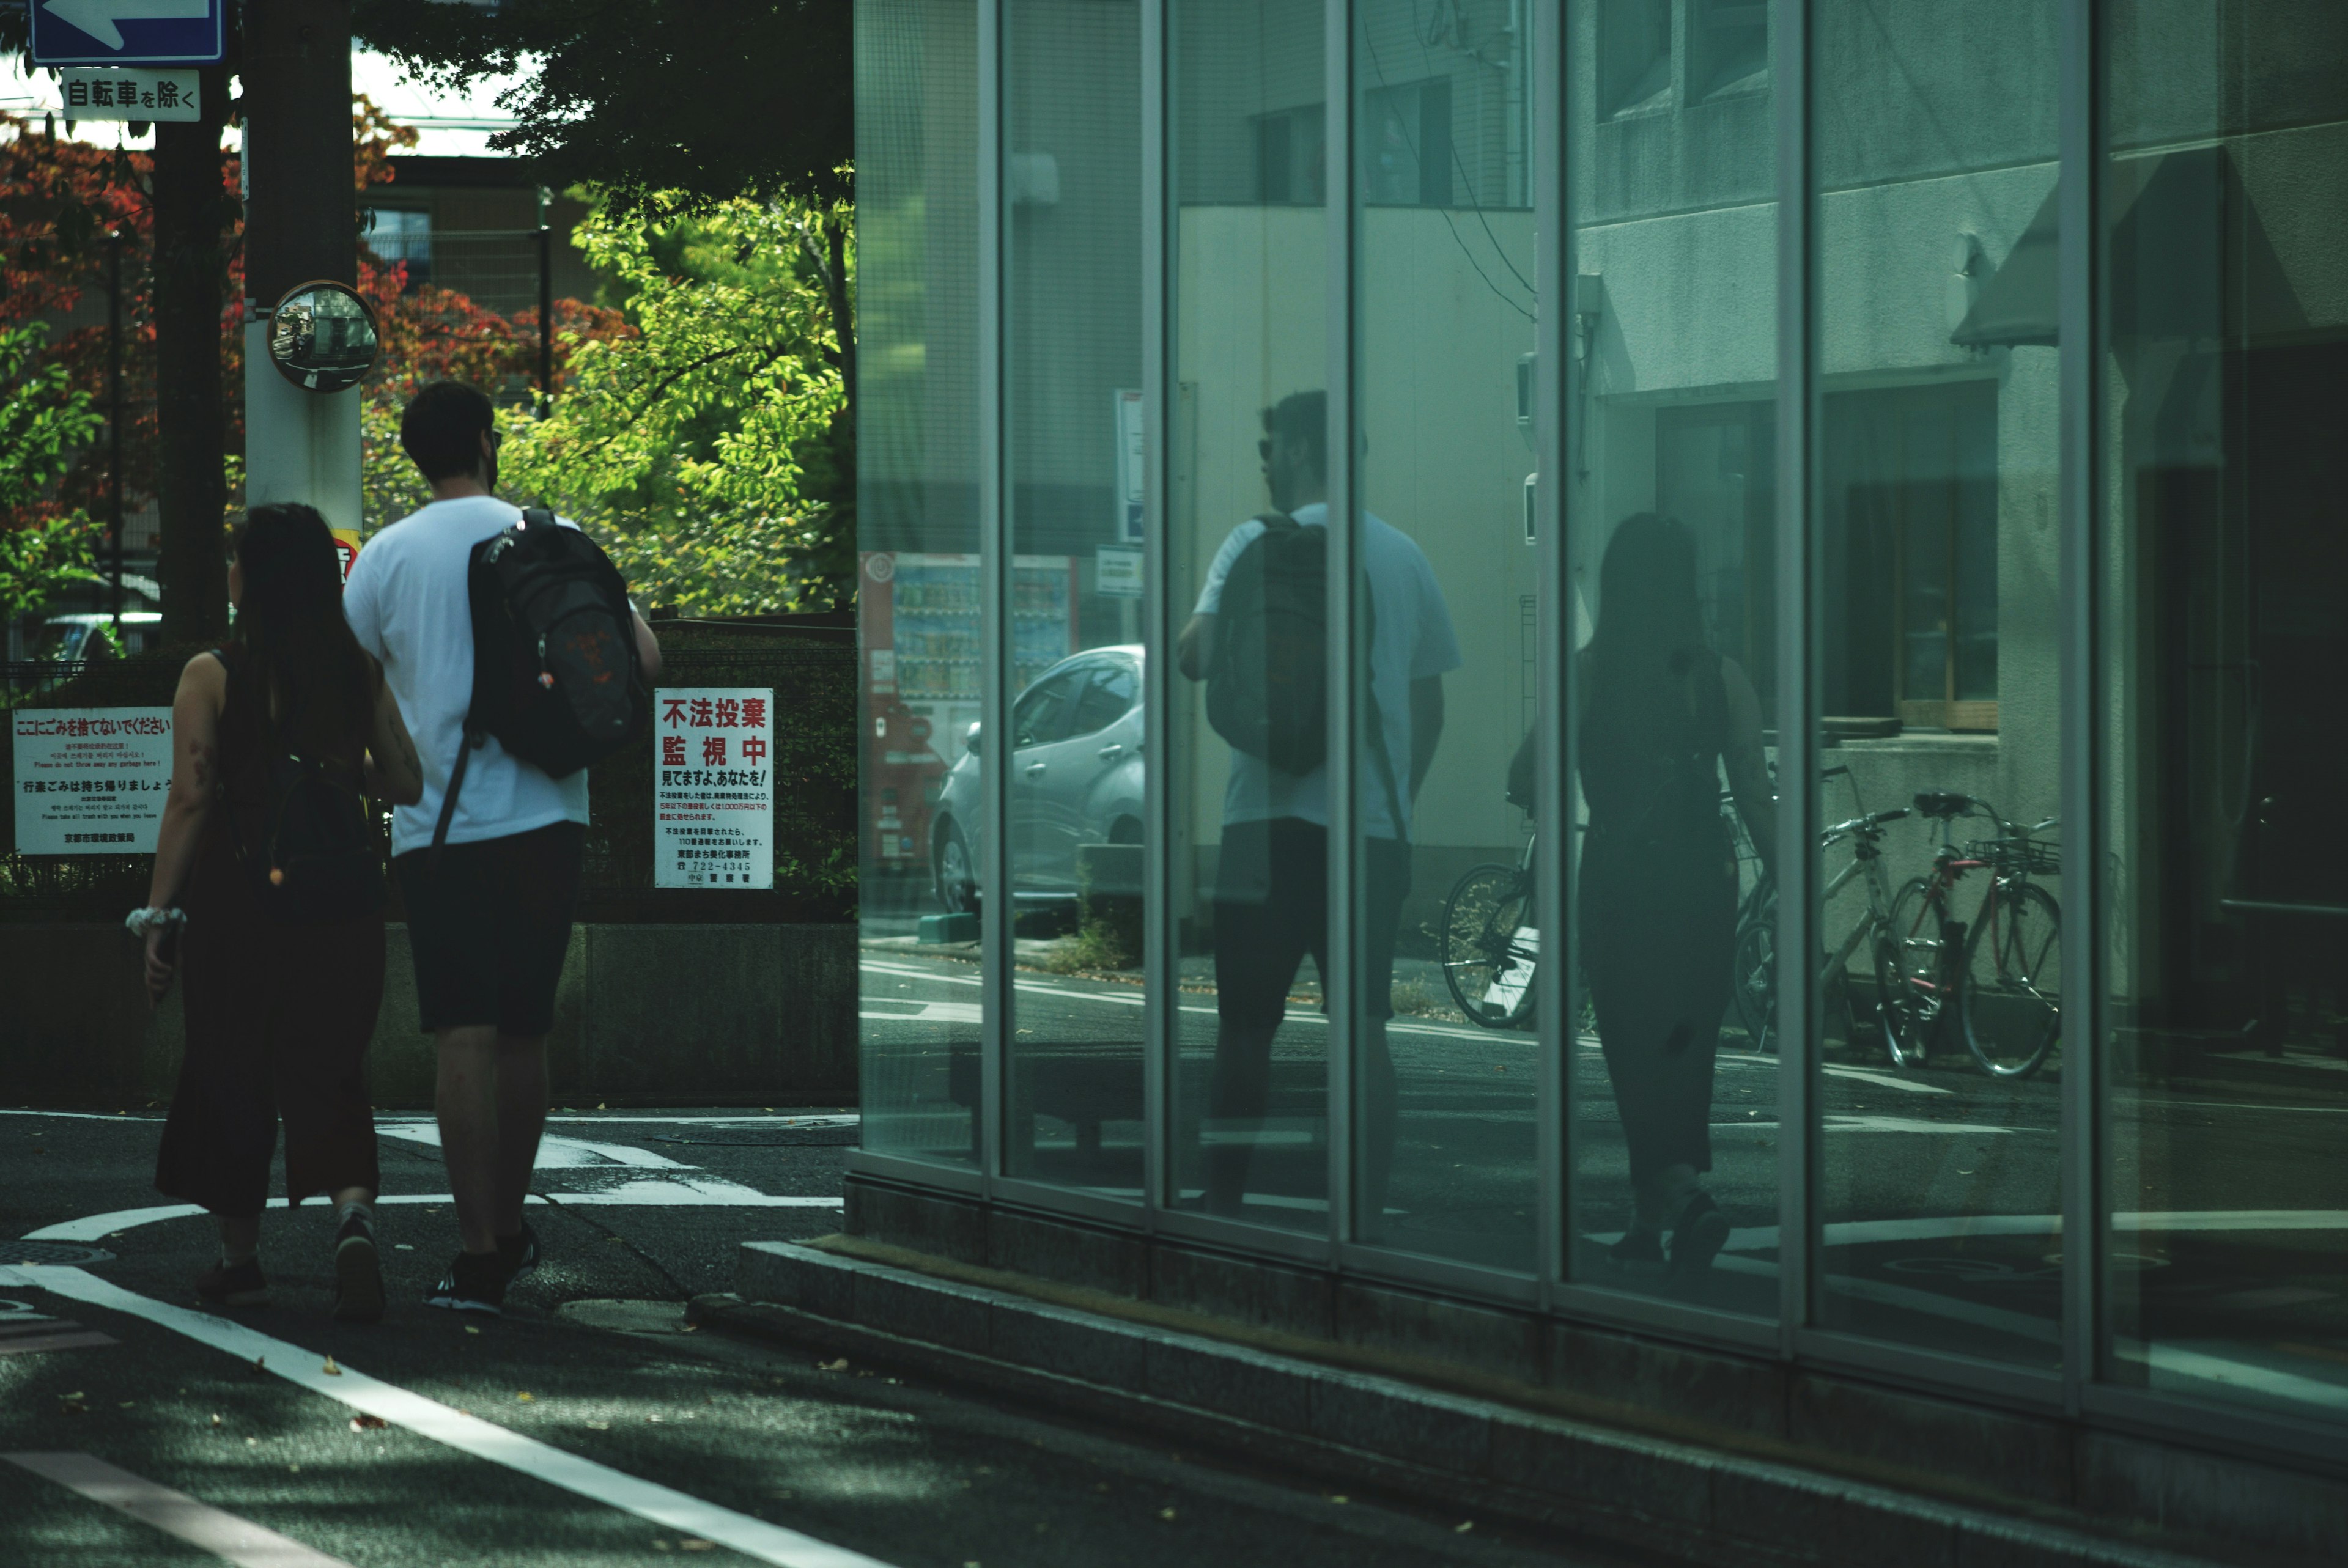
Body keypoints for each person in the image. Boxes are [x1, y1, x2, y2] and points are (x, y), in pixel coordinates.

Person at [342, 380, 661, 1316]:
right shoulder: (548, 534)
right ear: (486, 441)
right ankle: (514, 1227)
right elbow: (643, 660)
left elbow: (350, 692)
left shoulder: (385, 558)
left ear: (412, 453)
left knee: (462, 1038)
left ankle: (479, 1246)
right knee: (526, 1035)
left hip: (437, 828)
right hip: (549, 818)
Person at [1176, 390, 1460, 1226]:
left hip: (1260, 829)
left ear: (1301, 450)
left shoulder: (1252, 543)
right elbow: (1429, 707)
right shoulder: (1401, 557)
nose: (1263, 462)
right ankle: (1363, 1210)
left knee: (1245, 1029)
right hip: (1363, 834)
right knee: (1363, 1031)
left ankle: (1223, 1195)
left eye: (1270, 446)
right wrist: (1388, 804)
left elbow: (1193, 656)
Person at [138, 503, 425, 1321]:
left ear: (251, 578)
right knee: (330, 1064)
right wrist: (339, 778)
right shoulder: (354, 665)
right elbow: (405, 782)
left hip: (240, 904)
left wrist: (157, 914)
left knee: (230, 1064)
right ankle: (354, 1221)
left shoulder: (211, 673)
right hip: (341, 900)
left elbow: (191, 796)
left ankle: (239, 1258)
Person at [1576, 513, 1774, 1279]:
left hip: (1620, 882)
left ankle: (1685, 1196)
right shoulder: (1722, 674)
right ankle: (1645, 1219)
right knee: (1686, 1050)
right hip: (1704, 882)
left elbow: (1526, 773)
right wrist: (1792, 886)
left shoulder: (1590, 672)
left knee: (1631, 1047)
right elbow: (1755, 793)